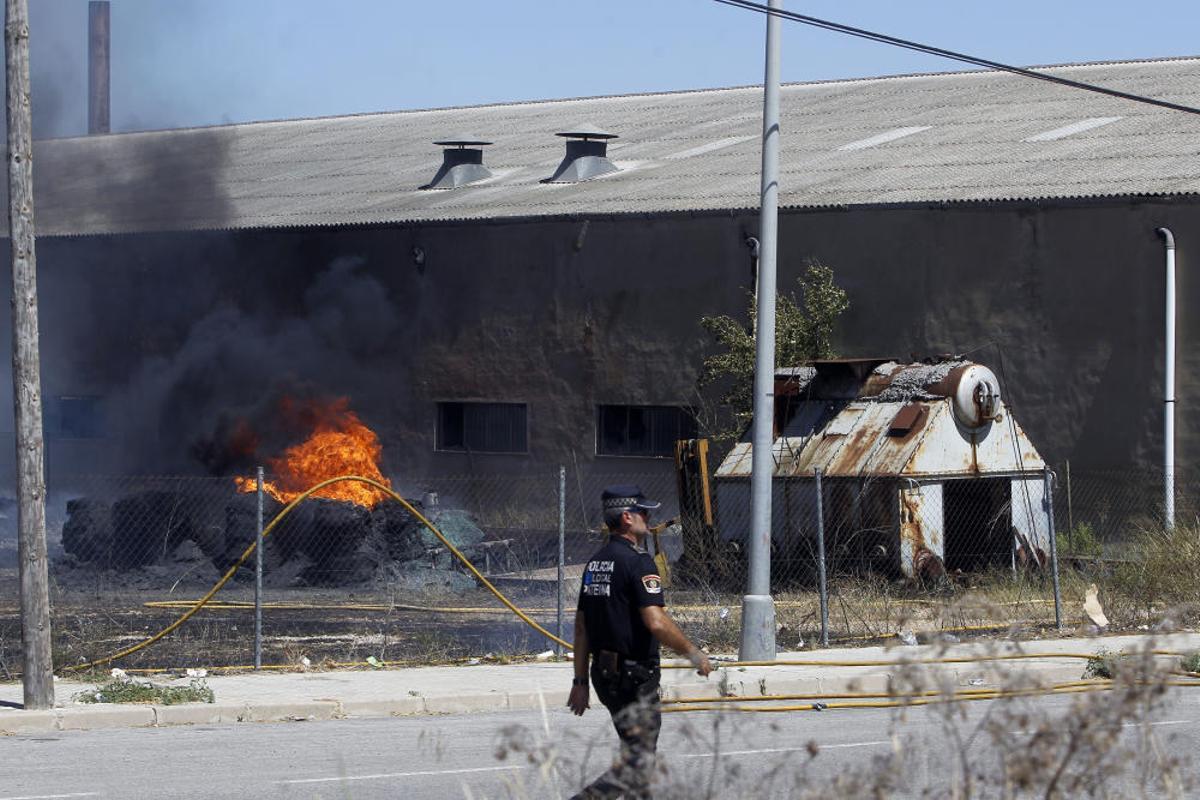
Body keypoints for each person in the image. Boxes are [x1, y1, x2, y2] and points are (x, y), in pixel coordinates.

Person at [567, 484, 713, 800]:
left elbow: (580, 629)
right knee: (637, 765)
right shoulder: (638, 562)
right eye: (643, 513)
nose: (649, 518)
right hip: (634, 678)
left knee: (636, 756)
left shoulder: (596, 563)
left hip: (604, 676)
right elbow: (656, 621)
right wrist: (693, 654)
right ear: (627, 518)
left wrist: (580, 682)